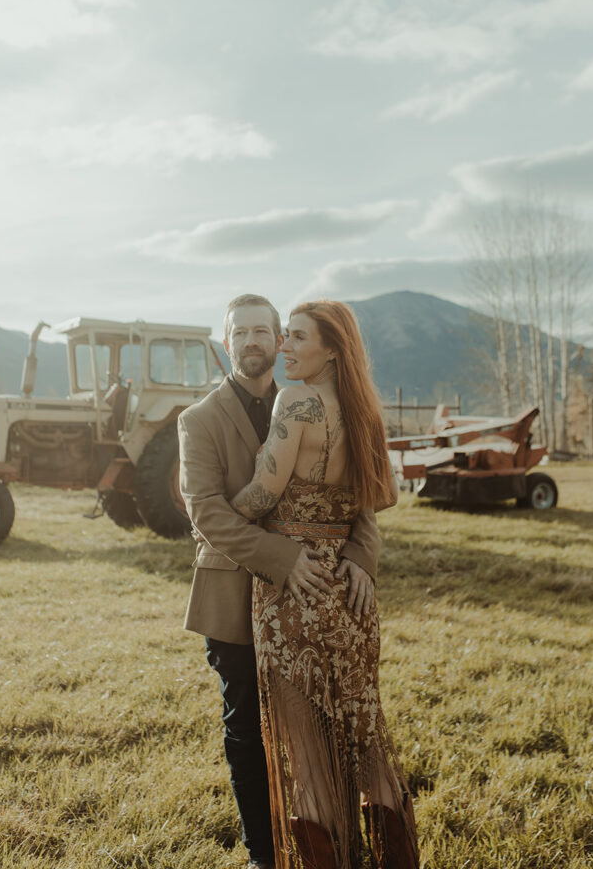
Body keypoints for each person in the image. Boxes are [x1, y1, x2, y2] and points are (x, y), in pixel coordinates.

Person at [179, 295, 382, 869]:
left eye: (262, 330)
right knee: (247, 728)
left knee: (327, 723)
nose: (251, 340)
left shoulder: (319, 399)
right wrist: (282, 558)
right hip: (234, 594)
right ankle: (264, 855)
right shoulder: (197, 420)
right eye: (239, 331)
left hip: (321, 595)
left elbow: (358, 493)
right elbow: (208, 514)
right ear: (226, 343)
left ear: (278, 339)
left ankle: (337, 845)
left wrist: (362, 555)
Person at [230, 299, 419, 869]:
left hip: (297, 592)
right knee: (367, 744)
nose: (284, 346)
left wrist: (216, 507)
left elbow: (262, 495)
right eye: (283, 335)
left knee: (308, 756)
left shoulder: (296, 401)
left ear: (331, 349)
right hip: (348, 590)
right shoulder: (363, 411)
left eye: (296, 337)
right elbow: (381, 496)